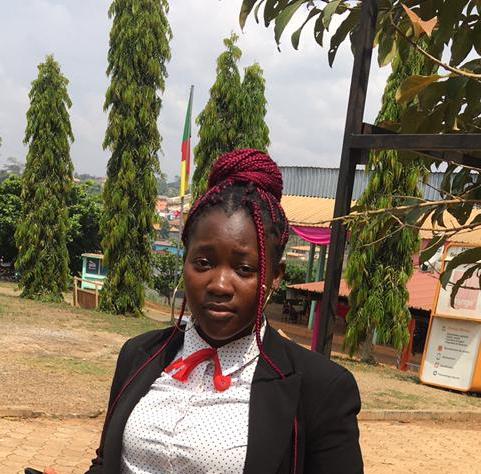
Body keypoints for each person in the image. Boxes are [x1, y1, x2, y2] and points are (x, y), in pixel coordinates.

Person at [46, 149, 363, 474]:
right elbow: (107, 462)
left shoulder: (321, 388)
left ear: (275, 276)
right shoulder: (139, 355)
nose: (219, 285)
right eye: (203, 263)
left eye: (244, 269)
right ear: (185, 262)